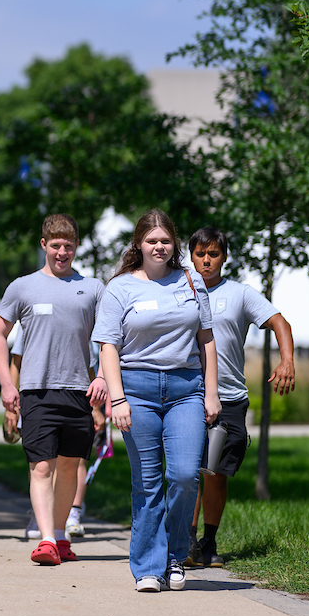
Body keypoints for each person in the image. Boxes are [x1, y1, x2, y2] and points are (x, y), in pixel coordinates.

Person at [91, 209, 220, 593]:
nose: (159, 247)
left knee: (183, 476)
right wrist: (117, 400)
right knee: (147, 484)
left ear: (174, 244)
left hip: (186, 389)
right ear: (138, 244)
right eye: (152, 241)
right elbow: (108, 347)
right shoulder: (119, 288)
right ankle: (148, 567)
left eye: (165, 241)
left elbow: (206, 339)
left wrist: (211, 393)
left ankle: (175, 556)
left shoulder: (191, 280)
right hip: (137, 390)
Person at [0, 214, 108, 566]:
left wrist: (102, 378)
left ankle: (60, 535)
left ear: (76, 248)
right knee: (41, 466)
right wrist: (6, 384)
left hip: (79, 391)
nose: (62, 253)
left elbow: (107, 340)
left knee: (71, 466)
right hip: (36, 391)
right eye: (55, 246)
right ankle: (45, 540)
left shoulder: (93, 288)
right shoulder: (23, 287)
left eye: (68, 247)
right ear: (43, 245)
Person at [186, 227, 295, 568]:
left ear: (224, 257)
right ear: (190, 256)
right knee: (186, 470)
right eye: (200, 253)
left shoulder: (240, 294)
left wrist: (287, 360)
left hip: (229, 397)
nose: (207, 260)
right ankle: (185, 540)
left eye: (214, 253)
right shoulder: (178, 289)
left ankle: (209, 540)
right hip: (187, 393)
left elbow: (280, 323)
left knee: (215, 471)